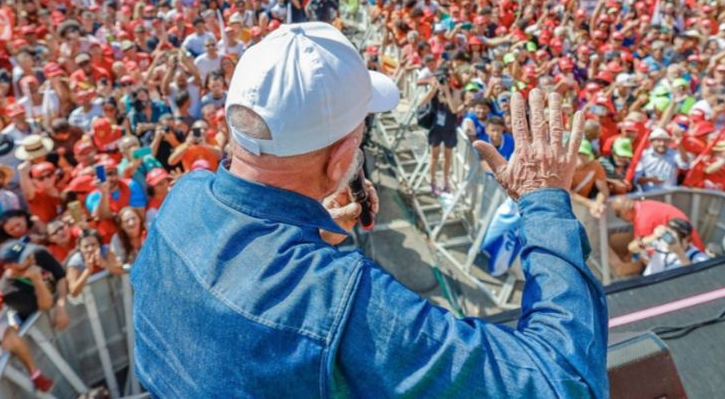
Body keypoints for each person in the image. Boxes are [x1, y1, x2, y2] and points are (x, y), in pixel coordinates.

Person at [132, 22, 607, 397]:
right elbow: (560, 384)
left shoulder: (182, 199)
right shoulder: (339, 300)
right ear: (341, 158)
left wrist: (311, 239)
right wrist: (543, 198)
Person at [0, 239, 70, 330]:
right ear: (9, 266)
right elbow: (46, 306)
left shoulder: (38, 254)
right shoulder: (8, 291)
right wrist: (37, 280)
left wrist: (61, 304)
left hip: (65, 308)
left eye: (28, 253)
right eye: (25, 258)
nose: (31, 258)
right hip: (44, 327)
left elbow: (61, 277)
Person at [642, 218, 710, 276]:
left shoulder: (698, 257)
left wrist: (679, 252)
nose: (670, 238)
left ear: (687, 238)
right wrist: (653, 236)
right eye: (669, 233)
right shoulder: (661, 243)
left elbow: (698, 277)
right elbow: (633, 248)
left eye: (675, 235)